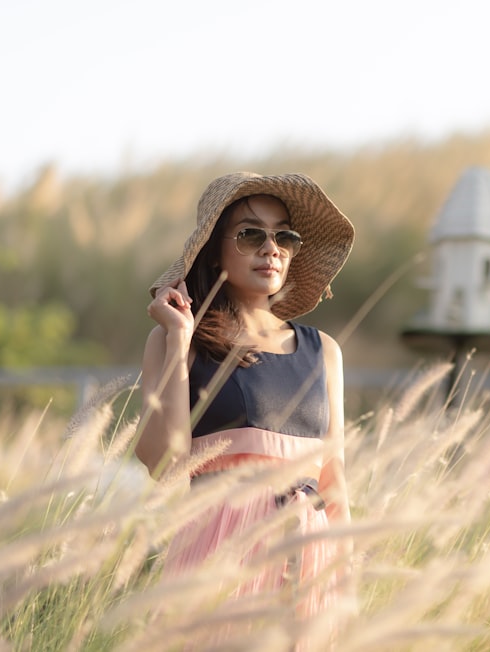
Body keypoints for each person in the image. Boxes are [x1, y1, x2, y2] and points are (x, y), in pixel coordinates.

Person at [136, 172, 355, 646]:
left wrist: (345, 587)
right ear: (214, 249)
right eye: (251, 233)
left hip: (309, 559)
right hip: (221, 559)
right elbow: (164, 464)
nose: (271, 247)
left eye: (284, 236)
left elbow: (333, 482)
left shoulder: (324, 352)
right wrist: (179, 339)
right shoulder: (179, 341)